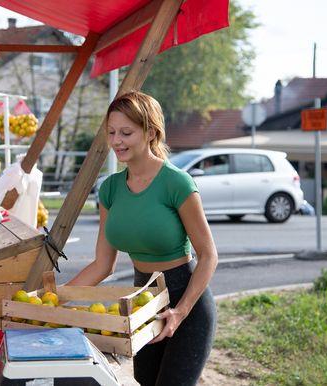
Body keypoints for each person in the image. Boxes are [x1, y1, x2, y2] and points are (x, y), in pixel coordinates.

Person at [65, 90, 218, 386]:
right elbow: (102, 265)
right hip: (143, 307)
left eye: (126, 132)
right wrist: (56, 300)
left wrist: (180, 312)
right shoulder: (110, 189)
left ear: (150, 132)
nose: (116, 141)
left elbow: (209, 255)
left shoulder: (176, 182)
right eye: (111, 132)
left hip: (186, 304)